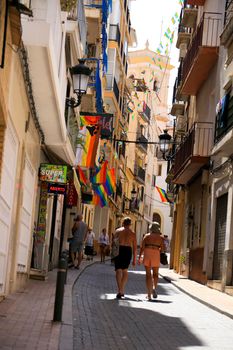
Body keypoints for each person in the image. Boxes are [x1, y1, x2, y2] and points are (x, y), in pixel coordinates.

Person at [138, 222, 165, 300]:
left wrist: (140, 257)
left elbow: (142, 247)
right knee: (156, 274)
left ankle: (149, 294)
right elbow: (163, 249)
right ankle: (154, 288)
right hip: (156, 253)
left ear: (151, 228)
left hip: (148, 253)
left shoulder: (147, 236)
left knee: (148, 274)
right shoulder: (161, 238)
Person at [114, 217, 137, 299]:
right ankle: (122, 290)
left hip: (119, 250)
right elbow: (134, 248)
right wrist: (134, 259)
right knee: (125, 270)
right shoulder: (133, 233)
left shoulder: (118, 231)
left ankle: (119, 290)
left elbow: (114, 243)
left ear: (123, 223)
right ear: (130, 224)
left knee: (118, 270)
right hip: (128, 251)